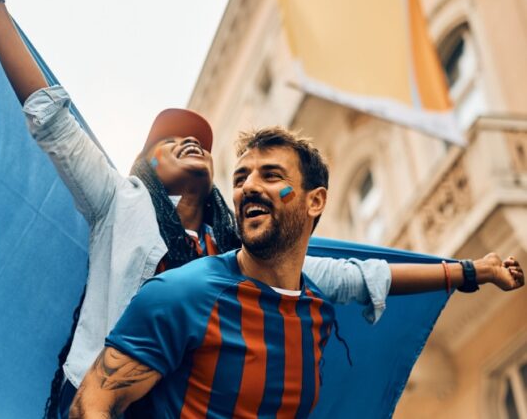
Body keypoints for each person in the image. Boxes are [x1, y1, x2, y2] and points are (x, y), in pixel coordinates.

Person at [0, 0, 524, 416]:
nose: (190, 144)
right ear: (146, 161)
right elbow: (50, 117)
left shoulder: (242, 248)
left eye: (200, 140)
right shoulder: (118, 202)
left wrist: (473, 271)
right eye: (171, 140)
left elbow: (358, 276)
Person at [72, 127, 524, 418]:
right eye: (242, 176)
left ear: (316, 201)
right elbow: (93, 402)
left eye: (271, 175)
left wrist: (471, 271)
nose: (249, 185)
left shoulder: (315, 302)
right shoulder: (181, 294)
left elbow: (369, 277)